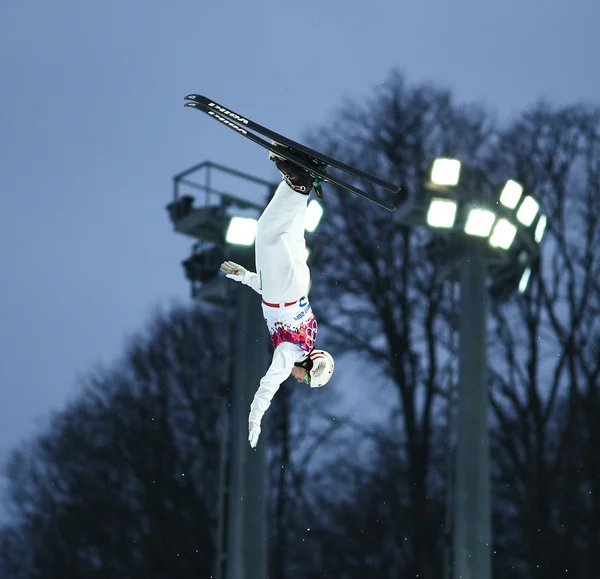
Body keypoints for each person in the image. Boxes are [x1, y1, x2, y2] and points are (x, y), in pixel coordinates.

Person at [220, 151, 335, 448]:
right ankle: (299, 184)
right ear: (310, 366)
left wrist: (245, 276)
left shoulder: (309, 336)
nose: (298, 381)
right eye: (305, 379)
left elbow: (278, 300)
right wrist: (255, 416)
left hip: (295, 285)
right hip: (282, 291)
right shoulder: (291, 352)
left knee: (289, 233)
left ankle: (302, 184)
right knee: (270, 234)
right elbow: (269, 383)